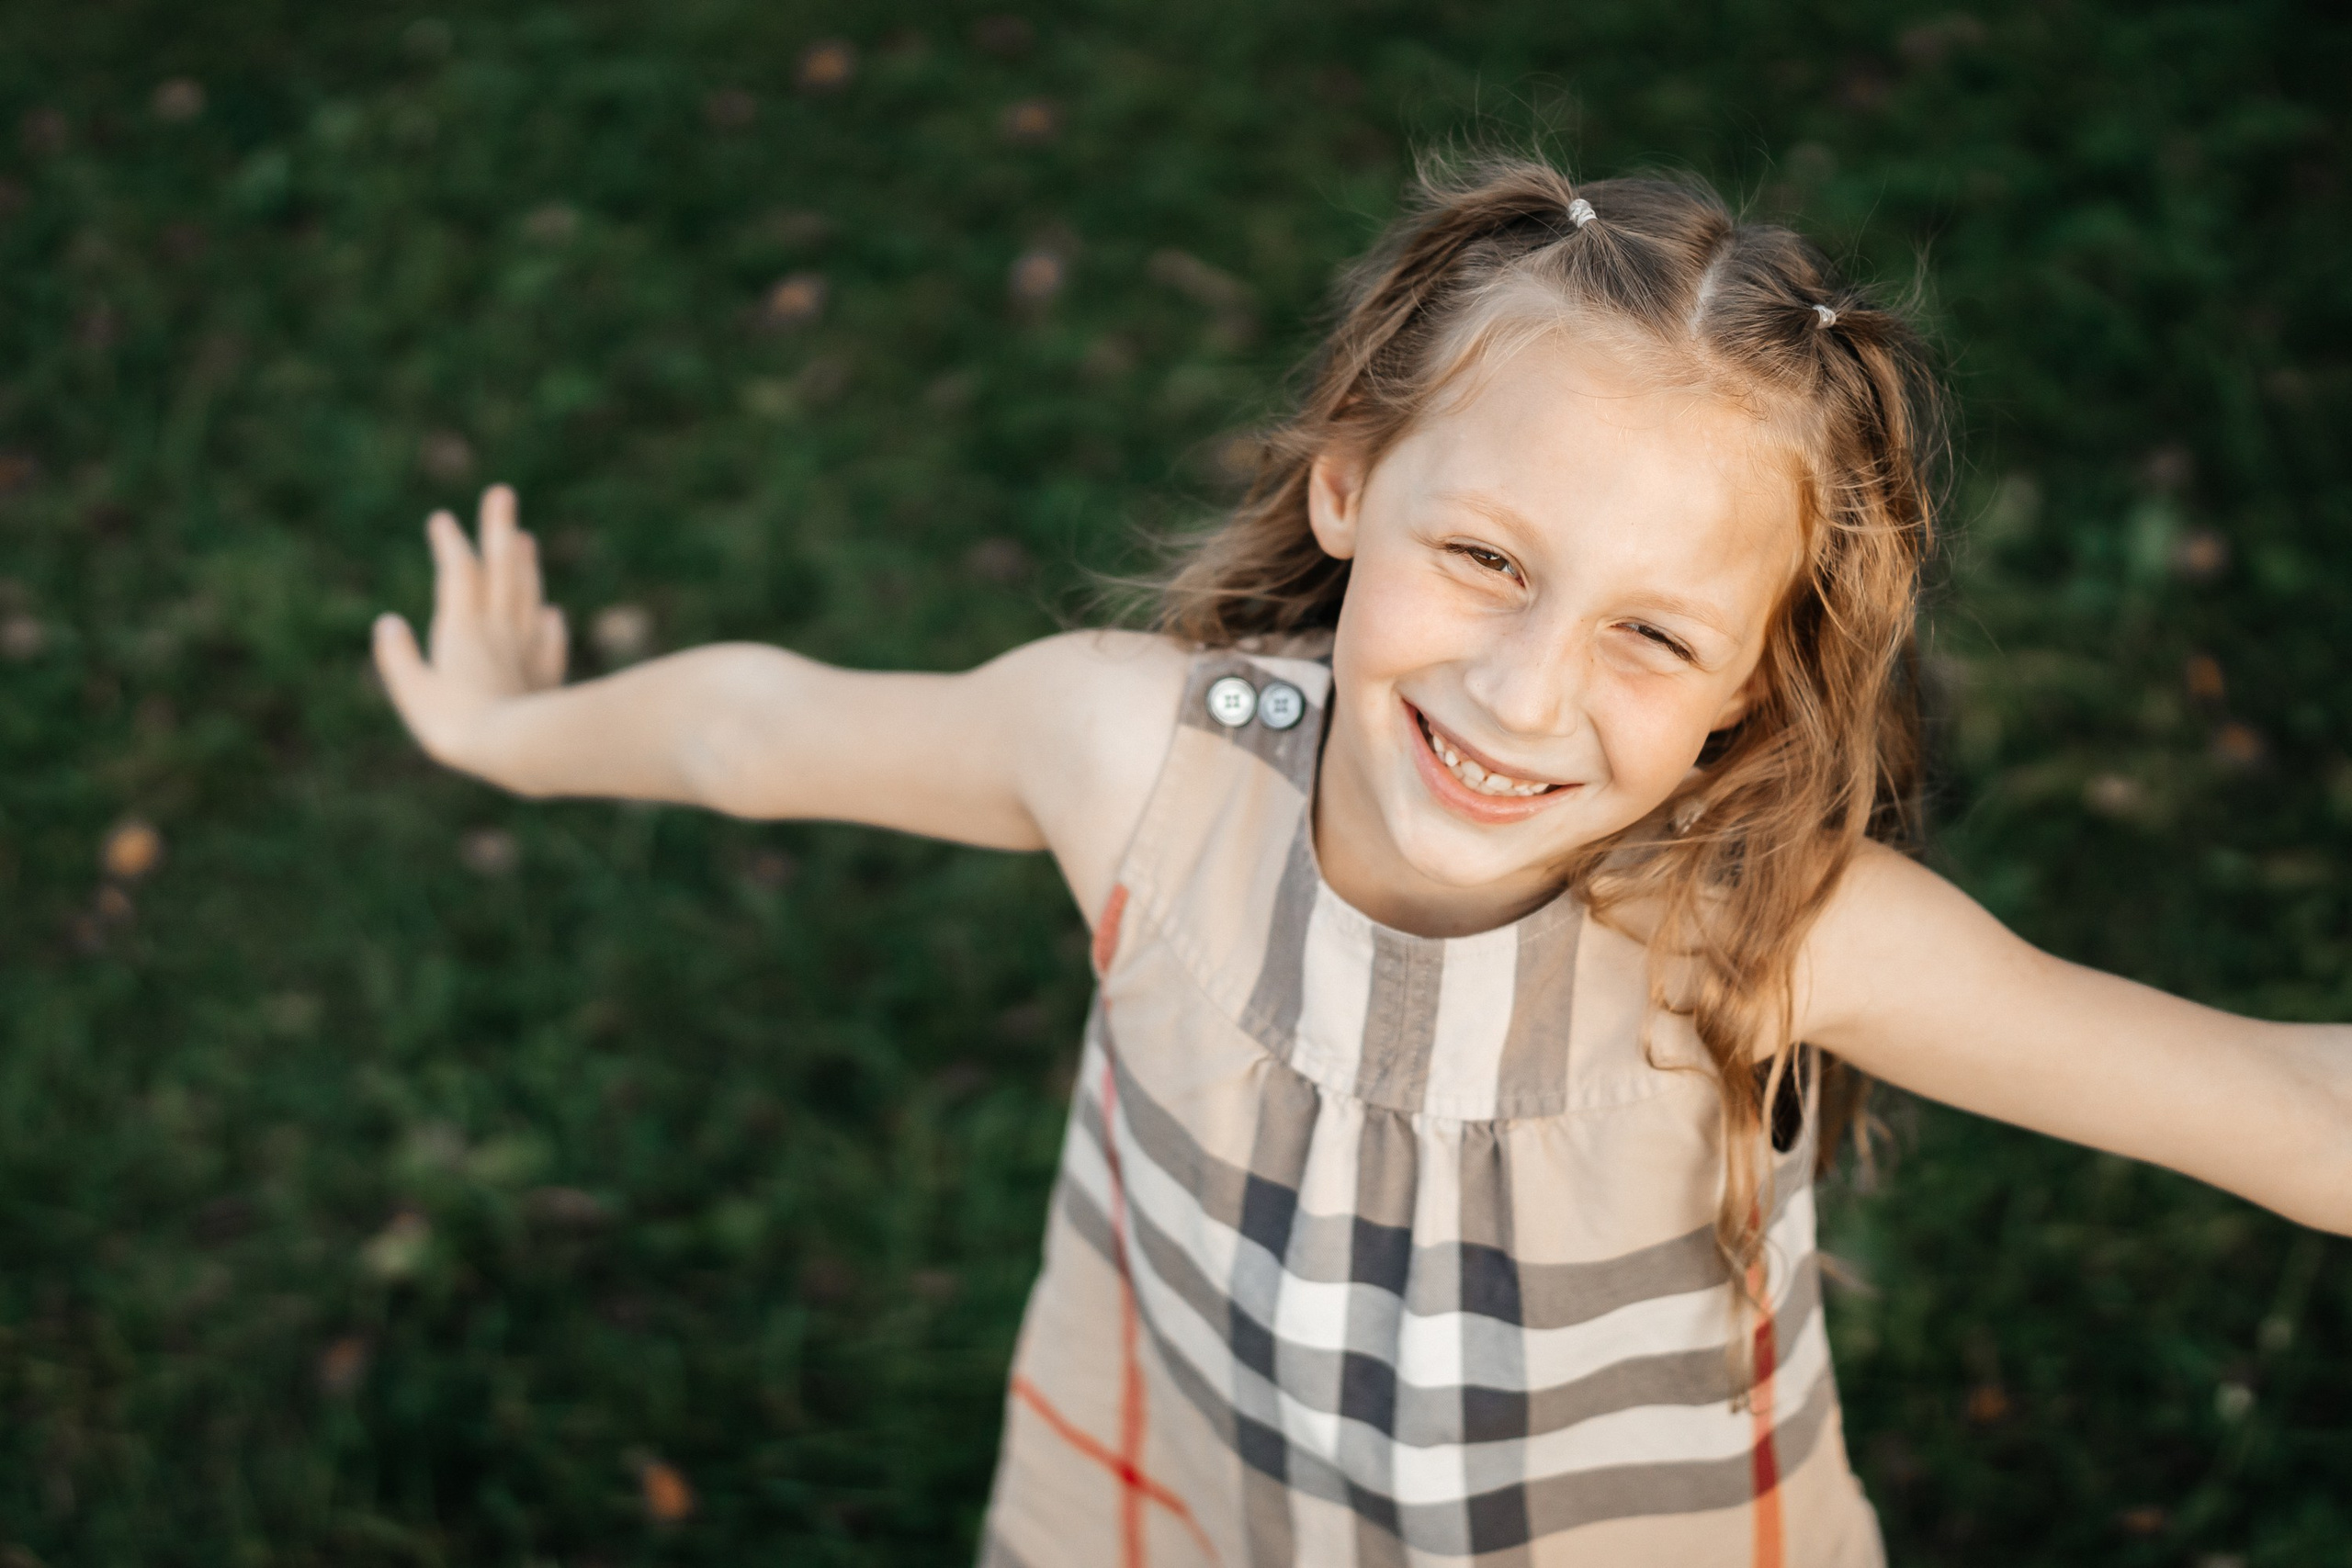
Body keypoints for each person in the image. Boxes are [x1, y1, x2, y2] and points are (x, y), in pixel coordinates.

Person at [371, 158, 2352, 1567]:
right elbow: (759, 728)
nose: (1516, 690)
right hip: (1176, 1493)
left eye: (1648, 635)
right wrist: (507, 736)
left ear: (1746, 693)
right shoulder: (1132, 758)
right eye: (1483, 556)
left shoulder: (1763, 930)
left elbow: (2280, 1097)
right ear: (1345, 483)